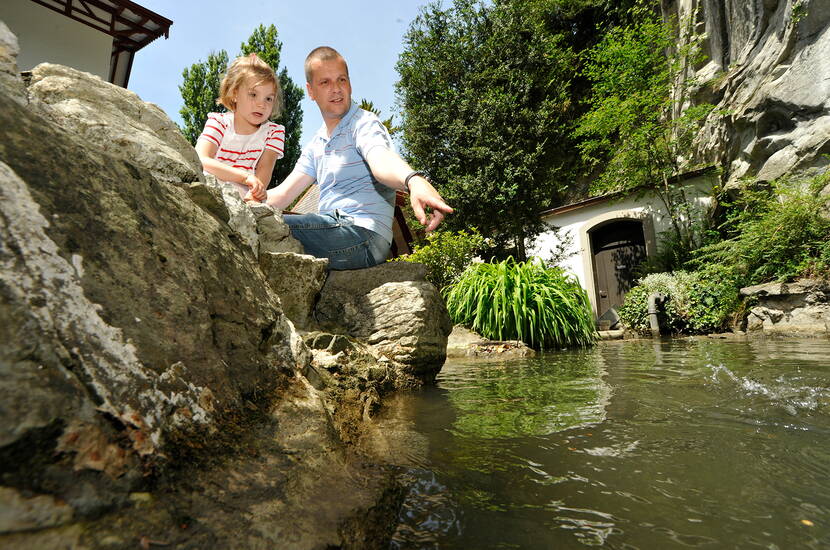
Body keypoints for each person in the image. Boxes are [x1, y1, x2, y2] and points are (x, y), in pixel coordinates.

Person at [266, 46, 452, 270]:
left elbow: (380, 159)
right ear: (311, 91)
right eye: (325, 82)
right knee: (257, 222)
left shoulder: (363, 123)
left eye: (341, 80)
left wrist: (414, 179)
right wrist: (234, 202)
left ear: (350, 83)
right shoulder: (316, 144)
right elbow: (283, 194)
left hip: (363, 235)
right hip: (333, 230)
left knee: (265, 227)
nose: (336, 89)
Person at [196, 53, 285, 203]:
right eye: (253, 94)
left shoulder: (274, 132)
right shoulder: (219, 122)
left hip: (243, 194)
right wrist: (245, 177)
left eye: (268, 98)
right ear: (234, 93)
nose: (261, 104)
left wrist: (254, 195)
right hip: (210, 188)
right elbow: (201, 158)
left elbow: (265, 169)